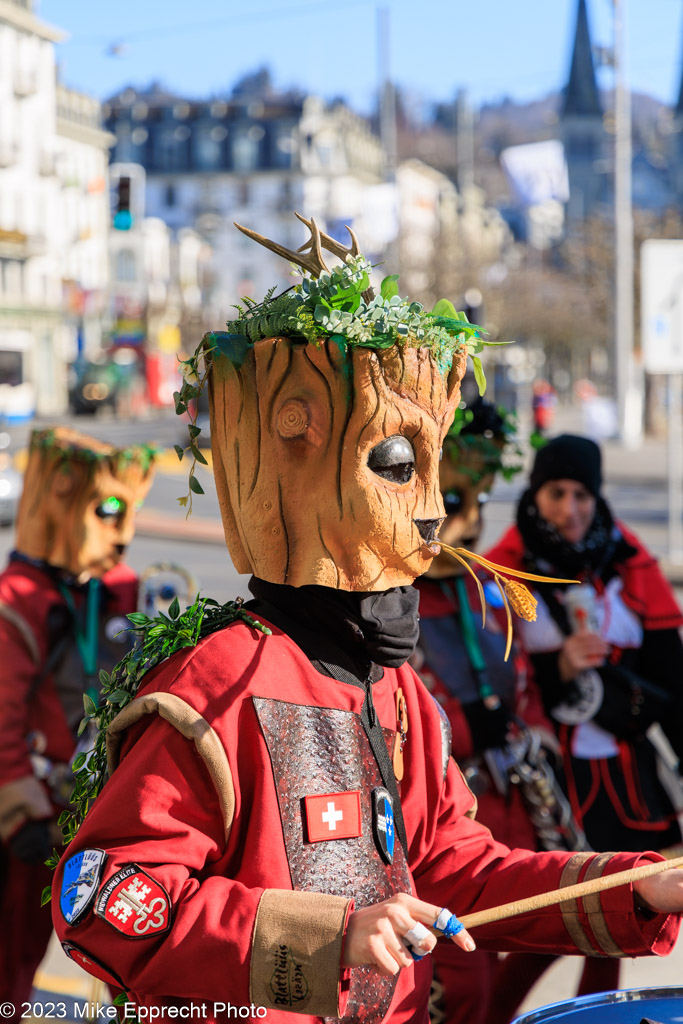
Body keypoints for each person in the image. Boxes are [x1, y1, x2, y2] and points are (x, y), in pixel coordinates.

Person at [52, 221, 683, 1023]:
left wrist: (636, 887)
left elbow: (457, 869)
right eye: (395, 466)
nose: (427, 512)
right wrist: (330, 937)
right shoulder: (216, 685)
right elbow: (103, 903)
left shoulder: (398, 692)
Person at [414, 402, 610, 1024]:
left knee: (599, 922)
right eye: (451, 501)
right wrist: (469, 726)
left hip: (512, 809)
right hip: (443, 818)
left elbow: (524, 678)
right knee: (463, 983)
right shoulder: (392, 604)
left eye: (475, 504)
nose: (465, 524)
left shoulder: (488, 587)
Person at [486, 433, 683, 996]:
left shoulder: (629, 563)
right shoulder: (504, 570)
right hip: (552, 781)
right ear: (534, 494)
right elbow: (495, 687)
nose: (569, 509)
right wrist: (557, 670)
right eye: (555, 493)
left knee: (621, 920)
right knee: (554, 920)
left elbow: (674, 681)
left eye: (581, 494)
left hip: (626, 777)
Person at [0, 427, 155, 1010]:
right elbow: (3, 715)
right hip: (31, 819)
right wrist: (21, 813)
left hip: (90, 811)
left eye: (130, 512)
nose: (125, 534)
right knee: (9, 959)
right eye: (108, 512)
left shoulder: (113, 590)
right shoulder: (17, 602)